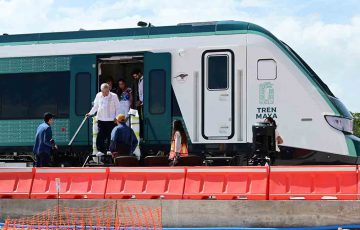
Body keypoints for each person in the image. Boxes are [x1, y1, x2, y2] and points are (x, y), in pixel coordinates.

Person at [87, 83, 121, 154]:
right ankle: (101, 151)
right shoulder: (98, 95)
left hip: (111, 120)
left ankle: (110, 150)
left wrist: (117, 117)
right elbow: (95, 106)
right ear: (101, 90)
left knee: (111, 136)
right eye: (104, 92)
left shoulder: (114, 96)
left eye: (107, 91)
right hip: (101, 120)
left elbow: (118, 108)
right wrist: (90, 113)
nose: (106, 93)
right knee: (100, 136)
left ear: (109, 90)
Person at [132, 69, 144, 137]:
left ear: (139, 73)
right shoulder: (139, 80)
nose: (135, 77)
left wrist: (141, 100)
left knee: (142, 118)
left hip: (143, 103)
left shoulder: (144, 80)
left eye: (136, 76)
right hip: (141, 102)